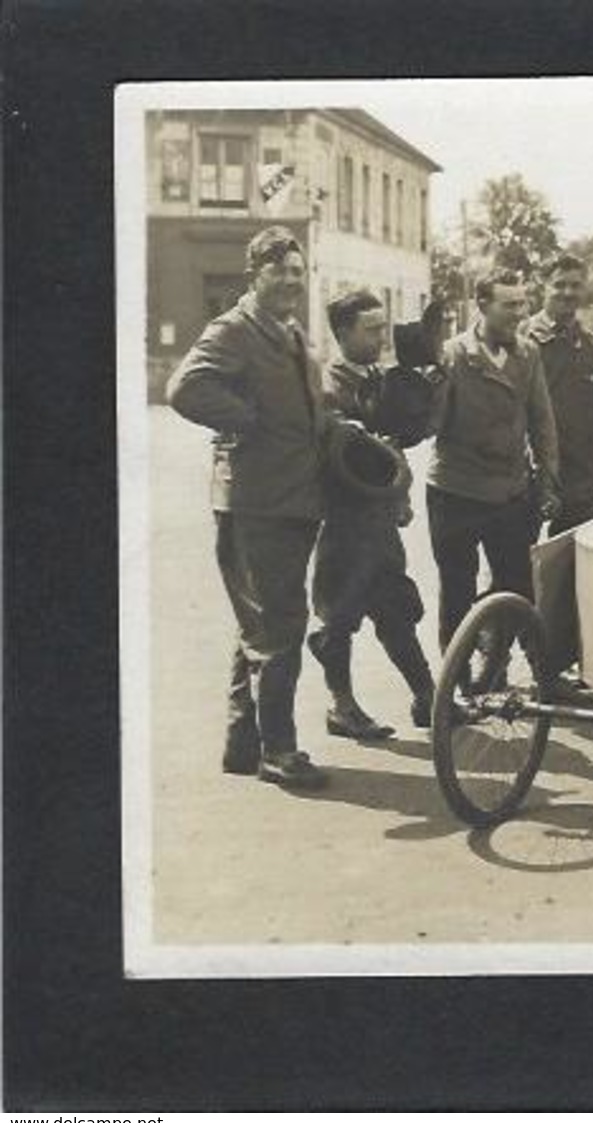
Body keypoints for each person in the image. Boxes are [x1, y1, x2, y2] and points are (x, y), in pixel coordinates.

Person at [166, 226, 329, 788]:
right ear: (254, 273)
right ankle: (278, 751)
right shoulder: (234, 330)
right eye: (279, 270)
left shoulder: (288, 330)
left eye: (296, 270)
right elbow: (186, 389)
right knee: (280, 625)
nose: (291, 280)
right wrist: (248, 420)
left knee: (258, 624)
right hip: (257, 502)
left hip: (292, 498)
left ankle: (243, 745)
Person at [305, 289, 437, 738]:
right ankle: (341, 707)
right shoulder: (329, 387)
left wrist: (401, 498)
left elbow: (398, 445)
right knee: (339, 617)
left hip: (379, 521)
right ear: (342, 333)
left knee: (396, 607)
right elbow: (342, 456)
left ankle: (428, 699)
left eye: (384, 327)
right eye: (372, 329)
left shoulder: (381, 377)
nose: (382, 337)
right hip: (345, 522)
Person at [428, 269, 560, 660]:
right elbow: (432, 423)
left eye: (523, 303)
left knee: (515, 586)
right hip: (456, 491)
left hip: (509, 492)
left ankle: (494, 663)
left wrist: (549, 482)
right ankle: (455, 681)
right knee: (456, 589)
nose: (519, 313)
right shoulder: (453, 355)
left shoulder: (528, 353)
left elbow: (542, 421)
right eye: (509, 305)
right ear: (482, 305)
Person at [524, 253, 593, 534]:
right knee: (515, 567)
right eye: (559, 284)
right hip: (525, 477)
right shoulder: (518, 339)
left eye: (576, 285)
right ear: (543, 285)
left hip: (581, 480)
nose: (568, 292)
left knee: (572, 569)